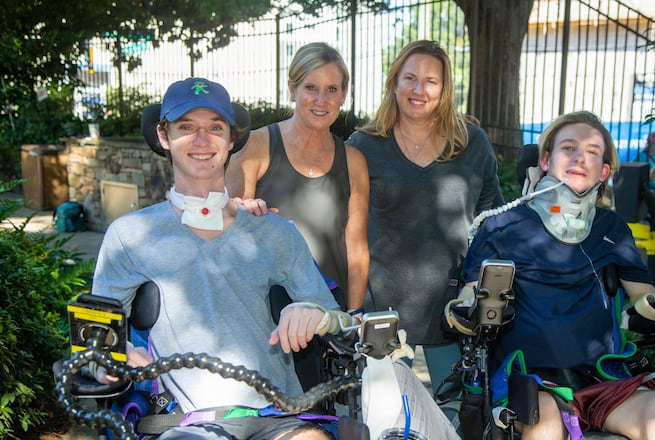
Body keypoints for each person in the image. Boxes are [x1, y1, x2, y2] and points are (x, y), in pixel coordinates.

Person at [91, 77, 349, 439]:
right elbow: (95, 337)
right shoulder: (130, 235)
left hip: (279, 415)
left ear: (231, 139)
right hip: (188, 422)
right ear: (164, 136)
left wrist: (315, 314)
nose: (202, 140)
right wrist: (113, 359)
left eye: (215, 127)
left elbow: (341, 323)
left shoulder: (274, 231)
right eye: (186, 127)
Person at [461, 111, 655, 439]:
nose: (580, 157)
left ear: (604, 171)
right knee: (544, 420)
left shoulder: (612, 228)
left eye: (592, 152)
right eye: (569, 148)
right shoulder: (501, 226)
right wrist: (461, 307)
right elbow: (470, 296)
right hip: (527, 380)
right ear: (545, 160)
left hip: (601, 380)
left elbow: (644, 297)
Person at [346, 40, 504, 393]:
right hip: (382, 310)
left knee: (458, 411)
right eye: (410, 78)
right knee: (384, 411)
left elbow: (491, 223)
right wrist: (352, 307)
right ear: (394, 82)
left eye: (431, 81)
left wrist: (476, 285)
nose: (419, 90)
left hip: (452, 309)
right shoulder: (364, 146)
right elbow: (345, 229)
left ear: (445, 89)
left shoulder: (472, 143)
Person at [227, 42, 369, 313]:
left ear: (344, 94)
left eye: (332, 89)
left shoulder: (353, 162)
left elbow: (356, 249)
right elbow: (230, 235)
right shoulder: (256, 147)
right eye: (310, 87)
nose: (321, 100)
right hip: (267, 315)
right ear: (292, 89)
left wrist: (354, 316)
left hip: (330, 315)